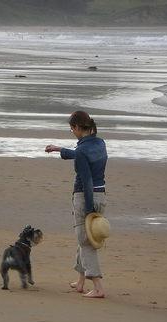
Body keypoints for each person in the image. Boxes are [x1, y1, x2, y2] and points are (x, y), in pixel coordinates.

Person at [45, 111, 108, 298]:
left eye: (72, 128)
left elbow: (86, 179)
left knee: (85, 241)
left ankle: (97, 287)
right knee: (84, 238)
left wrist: (88, 209)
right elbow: (82, 155)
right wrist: (59, 149)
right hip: (101, 195)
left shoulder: (81, 150)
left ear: (78, 127)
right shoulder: (100, 143)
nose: (72, 131)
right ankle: (80, 282)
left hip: (85, 197)